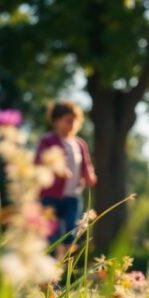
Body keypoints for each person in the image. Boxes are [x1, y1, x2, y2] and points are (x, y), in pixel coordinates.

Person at [36, 100, 97, 258]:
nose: (73, 125)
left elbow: (86, 164)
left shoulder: (79, 144)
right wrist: (58, 169)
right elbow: (39, 161)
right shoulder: (48, 141)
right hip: (51, 196)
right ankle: (47, 274)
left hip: (73, 196)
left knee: (72, 232)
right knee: (50, 233)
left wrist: (89, 175)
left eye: (76, 121)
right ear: (56, 121)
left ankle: (65, 270)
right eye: (68, 121)